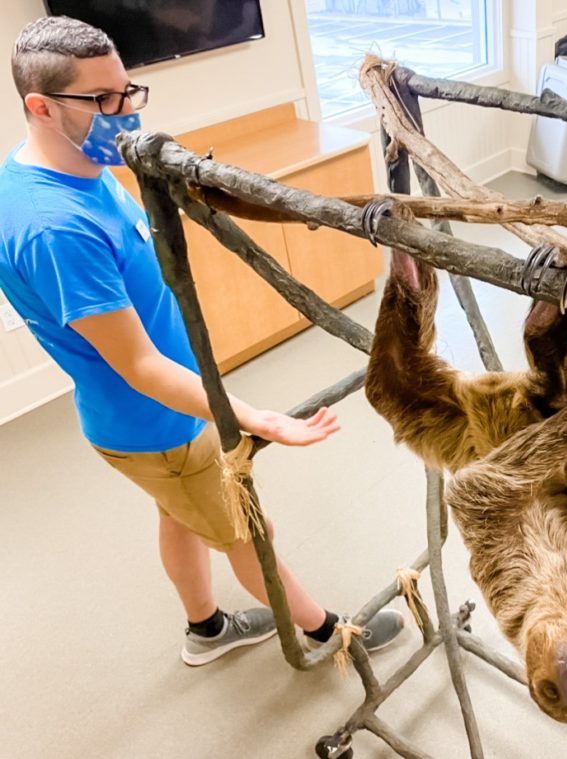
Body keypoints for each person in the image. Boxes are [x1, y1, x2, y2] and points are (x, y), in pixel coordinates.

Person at [0, 16, 404, 667]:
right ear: (40, 107)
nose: (123, 112)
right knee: (249, 532)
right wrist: (250, 414)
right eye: (101, 101)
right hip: (157, 420)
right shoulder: (54, 227)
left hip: (149, 420)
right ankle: (328, 633)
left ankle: (207, 628)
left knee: (182, 514)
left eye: (127, 91)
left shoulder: (72, 165)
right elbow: (136, 364)